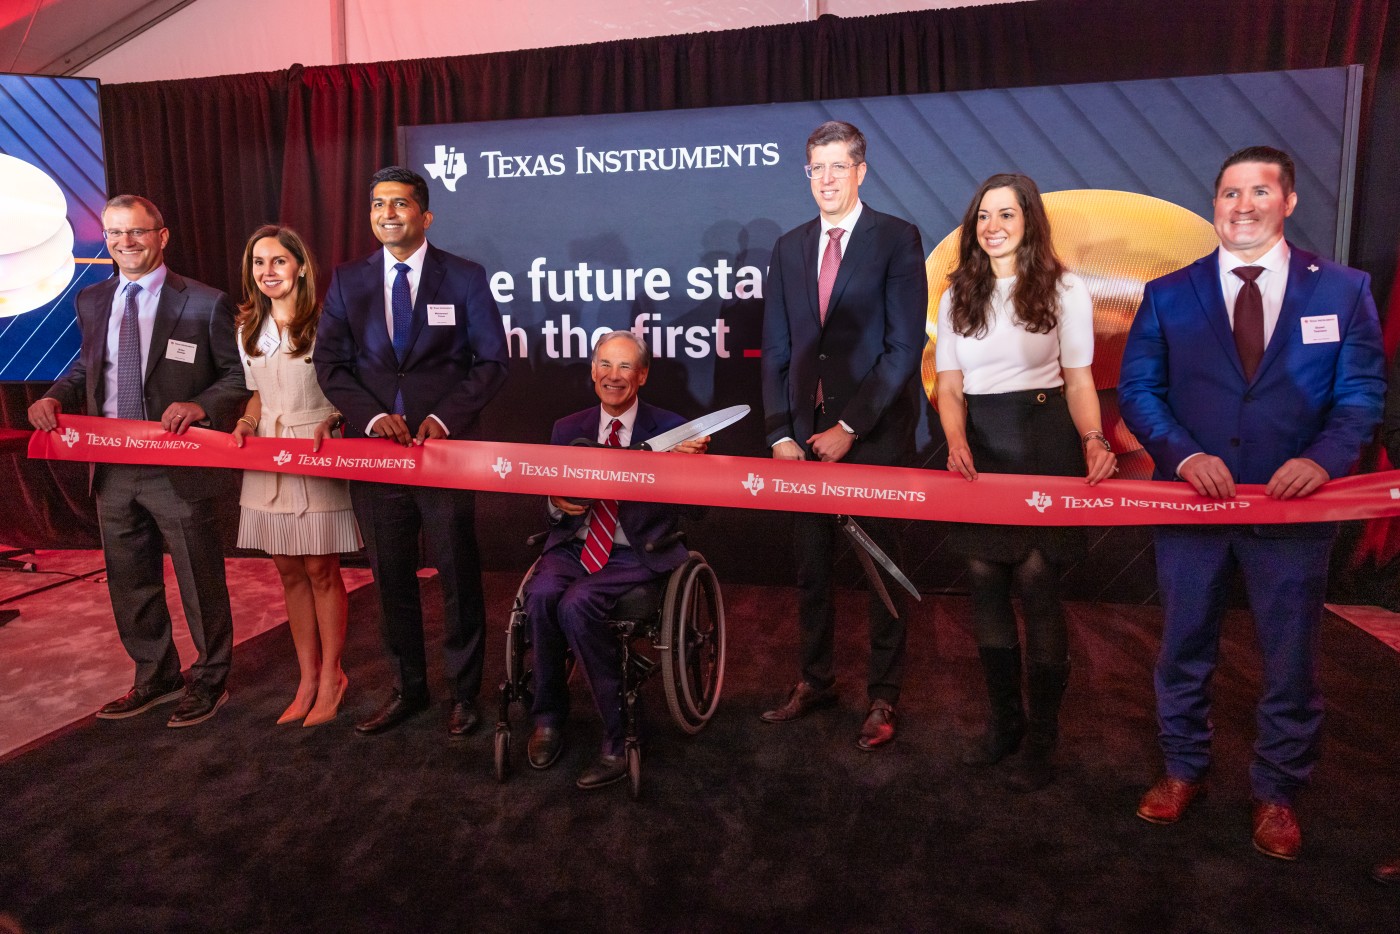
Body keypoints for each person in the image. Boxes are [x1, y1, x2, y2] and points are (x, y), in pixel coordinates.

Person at [1119, 146, 1384, 860]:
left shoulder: (1343, 291)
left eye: (1259, 191)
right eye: (1230, 193)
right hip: (1191, 504)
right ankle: (1182, 770)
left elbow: (1360, 396)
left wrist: (1320, 460)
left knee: (1292, 658)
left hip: (1293, 512)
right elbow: (1140, 390)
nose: (1243, 205)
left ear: (1287, 201)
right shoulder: (1171, 292)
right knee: (1182, 646)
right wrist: (1185, 453)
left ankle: (1278, 791)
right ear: (1215, 204)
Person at [27, 194, 249, 727]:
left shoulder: (203, 302)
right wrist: (54, 395)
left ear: (162, 235)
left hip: (177, 466)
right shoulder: (93, 299)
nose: (126, 243)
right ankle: (155, 676)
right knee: (130, 581)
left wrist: (201, 405)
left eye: (138, 232)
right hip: (111, 469)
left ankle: (211, 680)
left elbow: (238, 378)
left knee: (200, 579)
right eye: (115, 234)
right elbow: (87, 368)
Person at [935, 174, 1117, 792]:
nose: (992, 226)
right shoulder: (956, 293)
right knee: (985, 580)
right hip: (981, 440)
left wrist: (1094, 439)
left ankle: (1043, 737)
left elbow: (1079, 379)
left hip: (1046, 437)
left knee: (1038, 580)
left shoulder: (1064, 288)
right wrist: (956, 441)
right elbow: (950, 387)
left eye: (1006, 215)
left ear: (1029, 221)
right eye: (983, 215)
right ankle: (1004, 726)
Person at [315, 166, 509, 738]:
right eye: (377, 205)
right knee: (390, 577)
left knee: (455, 574)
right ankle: (408, 689)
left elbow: (492, 362)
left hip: (442, 452)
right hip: (375, 455)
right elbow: (331, 364)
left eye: (399, 204)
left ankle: (464, 694)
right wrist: (372, 418)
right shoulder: (348, 281)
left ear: (425, 215)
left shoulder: (466, 278)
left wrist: (443, 418)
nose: (387, 214)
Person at [759, 120, 928, 749]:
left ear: (861, 170)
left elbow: (904, 346)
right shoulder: (790, 246)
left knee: (880, 571)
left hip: (875, 436)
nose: (825, 180)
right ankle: (816, 679)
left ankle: (883, 697)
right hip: (801, 441)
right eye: (815, 169)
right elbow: (776, 347)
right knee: (811, 570)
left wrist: (850, 426)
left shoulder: (897, 238)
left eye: (837, 167)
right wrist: (781, 430)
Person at [523, 330, 708, 789]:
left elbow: (701, 508)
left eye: (625, 367)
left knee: (575, 604)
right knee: (543, 593)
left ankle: (621, 732)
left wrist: (693, 468)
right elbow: (550, 503)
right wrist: (556, 503)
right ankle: (547, 718)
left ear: (642, 375)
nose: (613, 376)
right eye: (605, 365)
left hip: (635, 552)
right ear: (592, 371)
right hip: (575, 546)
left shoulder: (674, 431)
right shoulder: (567, 429)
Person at [230, 225, 360, 727]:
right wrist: (245, 419)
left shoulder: (328, 322)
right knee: (287, 571)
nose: (267, 272)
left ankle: (333, 675)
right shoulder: (246, 328)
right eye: (259, 263)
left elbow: (343, 389)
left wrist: (335, 417)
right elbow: (257, 391)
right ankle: (306, 677)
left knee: (322, 570)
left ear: (300, 266)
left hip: (315, 450)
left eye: (278, 262)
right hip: (265, 453)